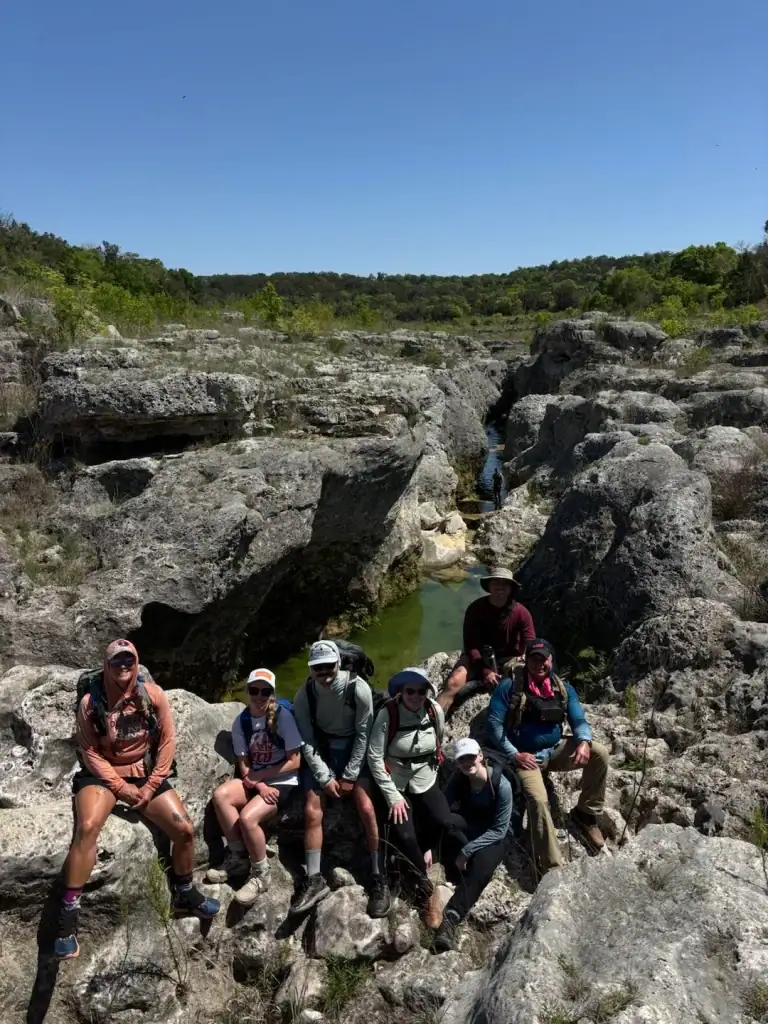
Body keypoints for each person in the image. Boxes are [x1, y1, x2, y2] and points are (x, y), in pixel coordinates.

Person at [55, 639, 220, 960]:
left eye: (128, 660)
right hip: (102, 775)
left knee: (184, 829)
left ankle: (183, 892)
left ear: (136, 661)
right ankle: (68, 914)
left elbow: (168, 740)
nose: (123, 666)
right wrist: (121, 788)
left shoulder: (151, 695)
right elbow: (90, 752)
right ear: (106, 665)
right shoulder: (91, 703)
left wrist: (151, 784)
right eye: (116, 661)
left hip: (145, 772)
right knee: (88, 826)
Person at [486, 638, 609, 876]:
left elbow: (579, 720)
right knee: (539, 800)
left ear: (552, 660)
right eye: (535, 658)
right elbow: (494, 726)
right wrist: (515, 754)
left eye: (545, 659)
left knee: (599, 753)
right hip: (526, 756)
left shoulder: (562, 689)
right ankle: (553, 867)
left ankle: (586, 814)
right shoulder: (510, 687)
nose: (540, 663)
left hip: (554, 750)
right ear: (527, 660)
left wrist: (583, 741)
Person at [292, 640, 390, 918]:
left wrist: (349, 775)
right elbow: (306, 740)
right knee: (313, 809)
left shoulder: (357, 688)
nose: (324, 673)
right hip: (323, 750)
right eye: (317, 668)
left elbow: (363, 733)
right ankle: (314, 879)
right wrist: (324, 777)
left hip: (352, 749)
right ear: (310, 669)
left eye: (328, 667)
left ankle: (377, 875)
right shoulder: (305, 694)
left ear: (338, 664)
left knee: (367, 807)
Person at [206, 668, 302, 906]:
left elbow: (295, 761)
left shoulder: (283, 717)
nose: (259, 695)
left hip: (283, 781)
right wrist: (259, 784)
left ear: (272, 693)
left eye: (265, 691)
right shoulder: (243, 721)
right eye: (254, 690)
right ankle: (238, 857)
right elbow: (244, 763)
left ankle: (261, 874)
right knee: (221, 796)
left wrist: (262, 778)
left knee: (248, 818)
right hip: (258, 781)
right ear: (247, 690)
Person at [367, 668, 449, 929]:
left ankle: (418, 854)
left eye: (421, 691)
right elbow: (374, 757)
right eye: (410, 691)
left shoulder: (434, 710)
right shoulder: (387, 714)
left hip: (426, 777)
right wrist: (392, 796)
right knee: (404, 835)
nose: (415, 696)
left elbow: (439, 738)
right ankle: (426, 892)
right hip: (397, 782)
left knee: (442, 819)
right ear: (401, 691)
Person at [434, 738, 514, 952]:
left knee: (483, 866)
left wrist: (466, 851)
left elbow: (499, 829)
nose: (467, 763)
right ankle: (449, 872)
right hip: (473, 823)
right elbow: (442, 807)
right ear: (458, 763)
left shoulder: (501, 784)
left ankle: (451, 918)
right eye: (462, 759)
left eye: (471, 757)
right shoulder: (459, 778)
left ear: (480, 756)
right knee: (448, 825)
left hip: (498, 833)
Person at [438, 567, 536, 713]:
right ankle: (433, 720)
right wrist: (485, 670)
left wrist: (524, 657)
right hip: (478, 657)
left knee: (528, 685)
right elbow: (471, 645)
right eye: (496, 582)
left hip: (511, 657)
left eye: (505, 583)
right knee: (454, 682)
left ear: (511, 588)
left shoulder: (521, 612)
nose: (500, 587)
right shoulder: (475, 609)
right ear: (489, 586)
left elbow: (530, 641)